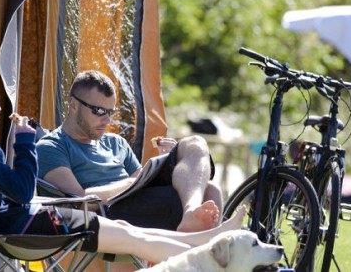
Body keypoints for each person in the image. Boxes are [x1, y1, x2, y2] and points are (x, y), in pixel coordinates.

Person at [0, 73, 247, 264]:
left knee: (191, 167)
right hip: (36, 223)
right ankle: (208, 246)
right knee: (134, 235)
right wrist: (23, 141)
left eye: (111, 112)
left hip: (24, 221)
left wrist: (156, 168)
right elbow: (27, 192)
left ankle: (204, 236)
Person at [36, 70, 223, 232]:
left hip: (139, 203)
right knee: (207, 194)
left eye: (110, 112)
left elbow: (142, 182)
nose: (107, 121)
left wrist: (162, 163)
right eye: (99, 111)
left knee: (196, 145)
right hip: (109, 216)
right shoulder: (51, 147)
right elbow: (79, 202)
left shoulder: (116, 143)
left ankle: (191, 213)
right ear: (73, 105)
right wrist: (130, 182)